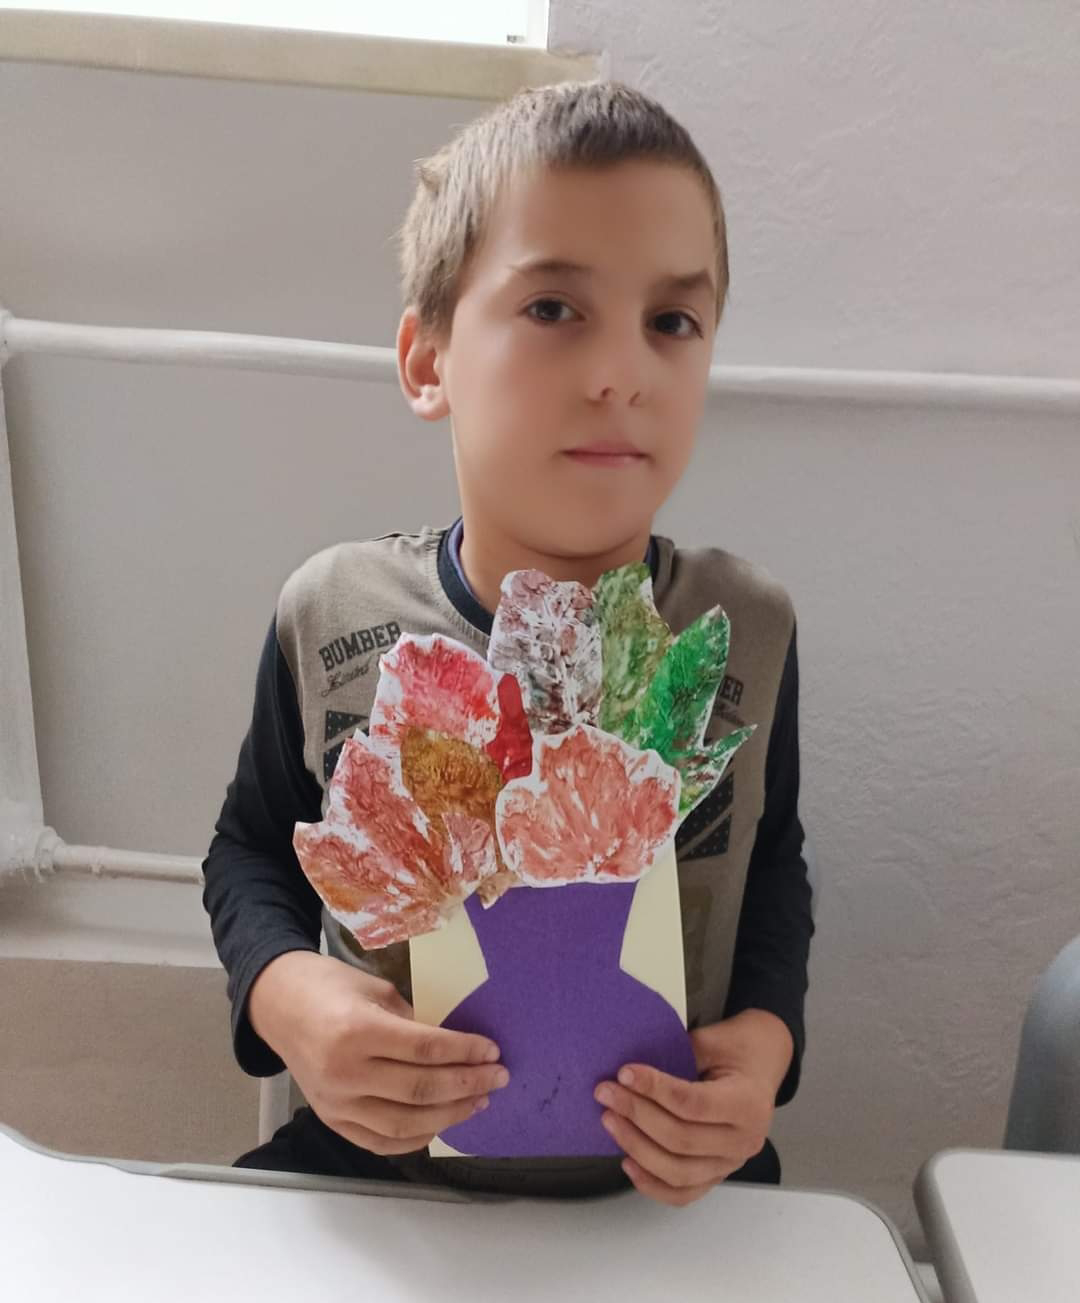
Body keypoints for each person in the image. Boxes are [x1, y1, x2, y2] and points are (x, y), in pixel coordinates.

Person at [202, 80, 813, 1207]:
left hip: (667, 1199)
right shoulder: (332, 616)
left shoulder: (745, 630)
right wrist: (286, 997)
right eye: (554, 308)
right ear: (428, 360)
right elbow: (249, 848)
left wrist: (767, 1048)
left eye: (672, 322)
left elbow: (768, 865)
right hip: (378, 1187)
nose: (622, 373)